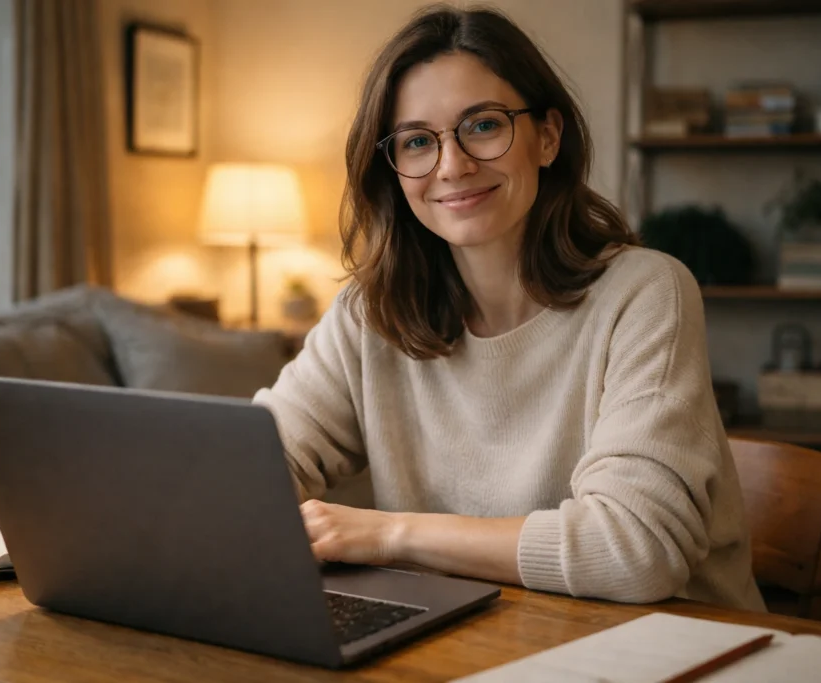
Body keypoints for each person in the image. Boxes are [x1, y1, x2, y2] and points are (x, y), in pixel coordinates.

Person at [254, 4, 766, 612]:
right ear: (393, 169)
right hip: (476, 641)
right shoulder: (371, 313)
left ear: (548, 136)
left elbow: (635, 552)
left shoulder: (647, 292)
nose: (452, 166)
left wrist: (389, 533)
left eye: (484, 125)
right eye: (418, 141)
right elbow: (256, 463)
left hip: (669, 650)